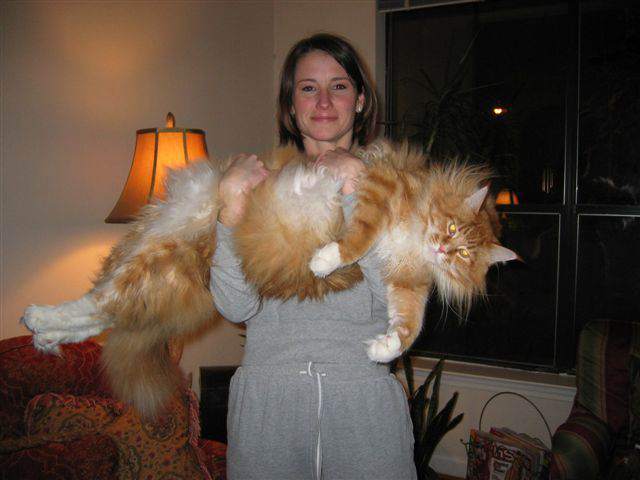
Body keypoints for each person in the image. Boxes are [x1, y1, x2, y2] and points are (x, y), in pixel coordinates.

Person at [210, 33, 417, 480]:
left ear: (360, 100)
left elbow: (397, 308)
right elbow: (236, 305)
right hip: (267, 408)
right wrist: (229, 206)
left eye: (338, 86)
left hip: (363, 407)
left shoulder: (401, 188)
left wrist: (356, 190)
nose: (323, 101)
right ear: (290, 105)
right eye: (308, 88)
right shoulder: (258, 186)